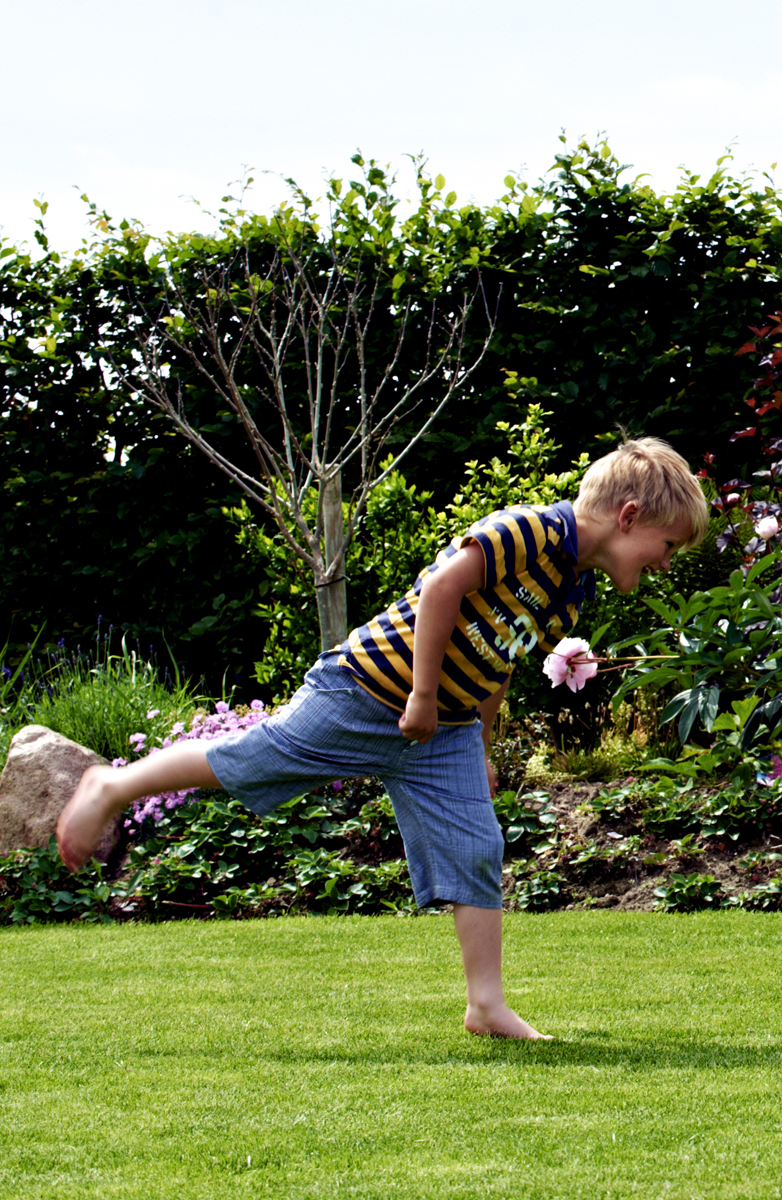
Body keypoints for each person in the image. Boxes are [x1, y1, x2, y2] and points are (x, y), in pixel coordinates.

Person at [56, 436, 710, 1040]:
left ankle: (486, 1004)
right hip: (366, 691)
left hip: (444, 729)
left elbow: (497, 661)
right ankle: (112, 784)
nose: (666, 562)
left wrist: (478, 743)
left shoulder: (570, 590)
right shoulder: (532, 529)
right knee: (256, 760)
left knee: (476, 841)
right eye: (669, 545)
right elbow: (441, 589)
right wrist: (421, 694)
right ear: (627, 516)